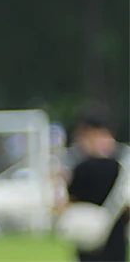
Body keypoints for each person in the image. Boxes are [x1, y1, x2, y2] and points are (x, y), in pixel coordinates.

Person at [65, 110, 130, 262]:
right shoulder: (122, 166)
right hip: (115, 231)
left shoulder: (81, 167)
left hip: (88, 233)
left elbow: (70, 200)